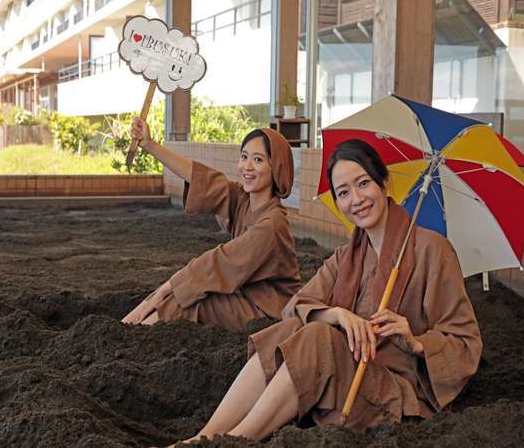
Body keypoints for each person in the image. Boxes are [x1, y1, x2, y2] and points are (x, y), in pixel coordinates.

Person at [177, 139, 482, 443]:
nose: (357, 199)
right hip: (345, 375)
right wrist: (337, 314)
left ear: (384, 182)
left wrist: (416, 342)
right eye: (344, 192)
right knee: (293, 327)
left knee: (317, 337)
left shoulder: (432, 249)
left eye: (363, 183)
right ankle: (203, 437)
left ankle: (233, 441)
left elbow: (465, 342)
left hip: (394, 391)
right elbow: (294, 306)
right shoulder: (346, 257)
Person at [121, 119, 301, 331]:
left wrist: (166, 288)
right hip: (244, 295)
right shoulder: (243, 199)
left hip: (268, 311)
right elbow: (200, 177)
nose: (247, 166)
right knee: (183, 292)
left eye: (258, 159)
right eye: (244, 157)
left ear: (276, 167)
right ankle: (125, 327)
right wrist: (151, 145)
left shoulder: (272, 224)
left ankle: (130, 334)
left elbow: (221, 261)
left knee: (187, 299)